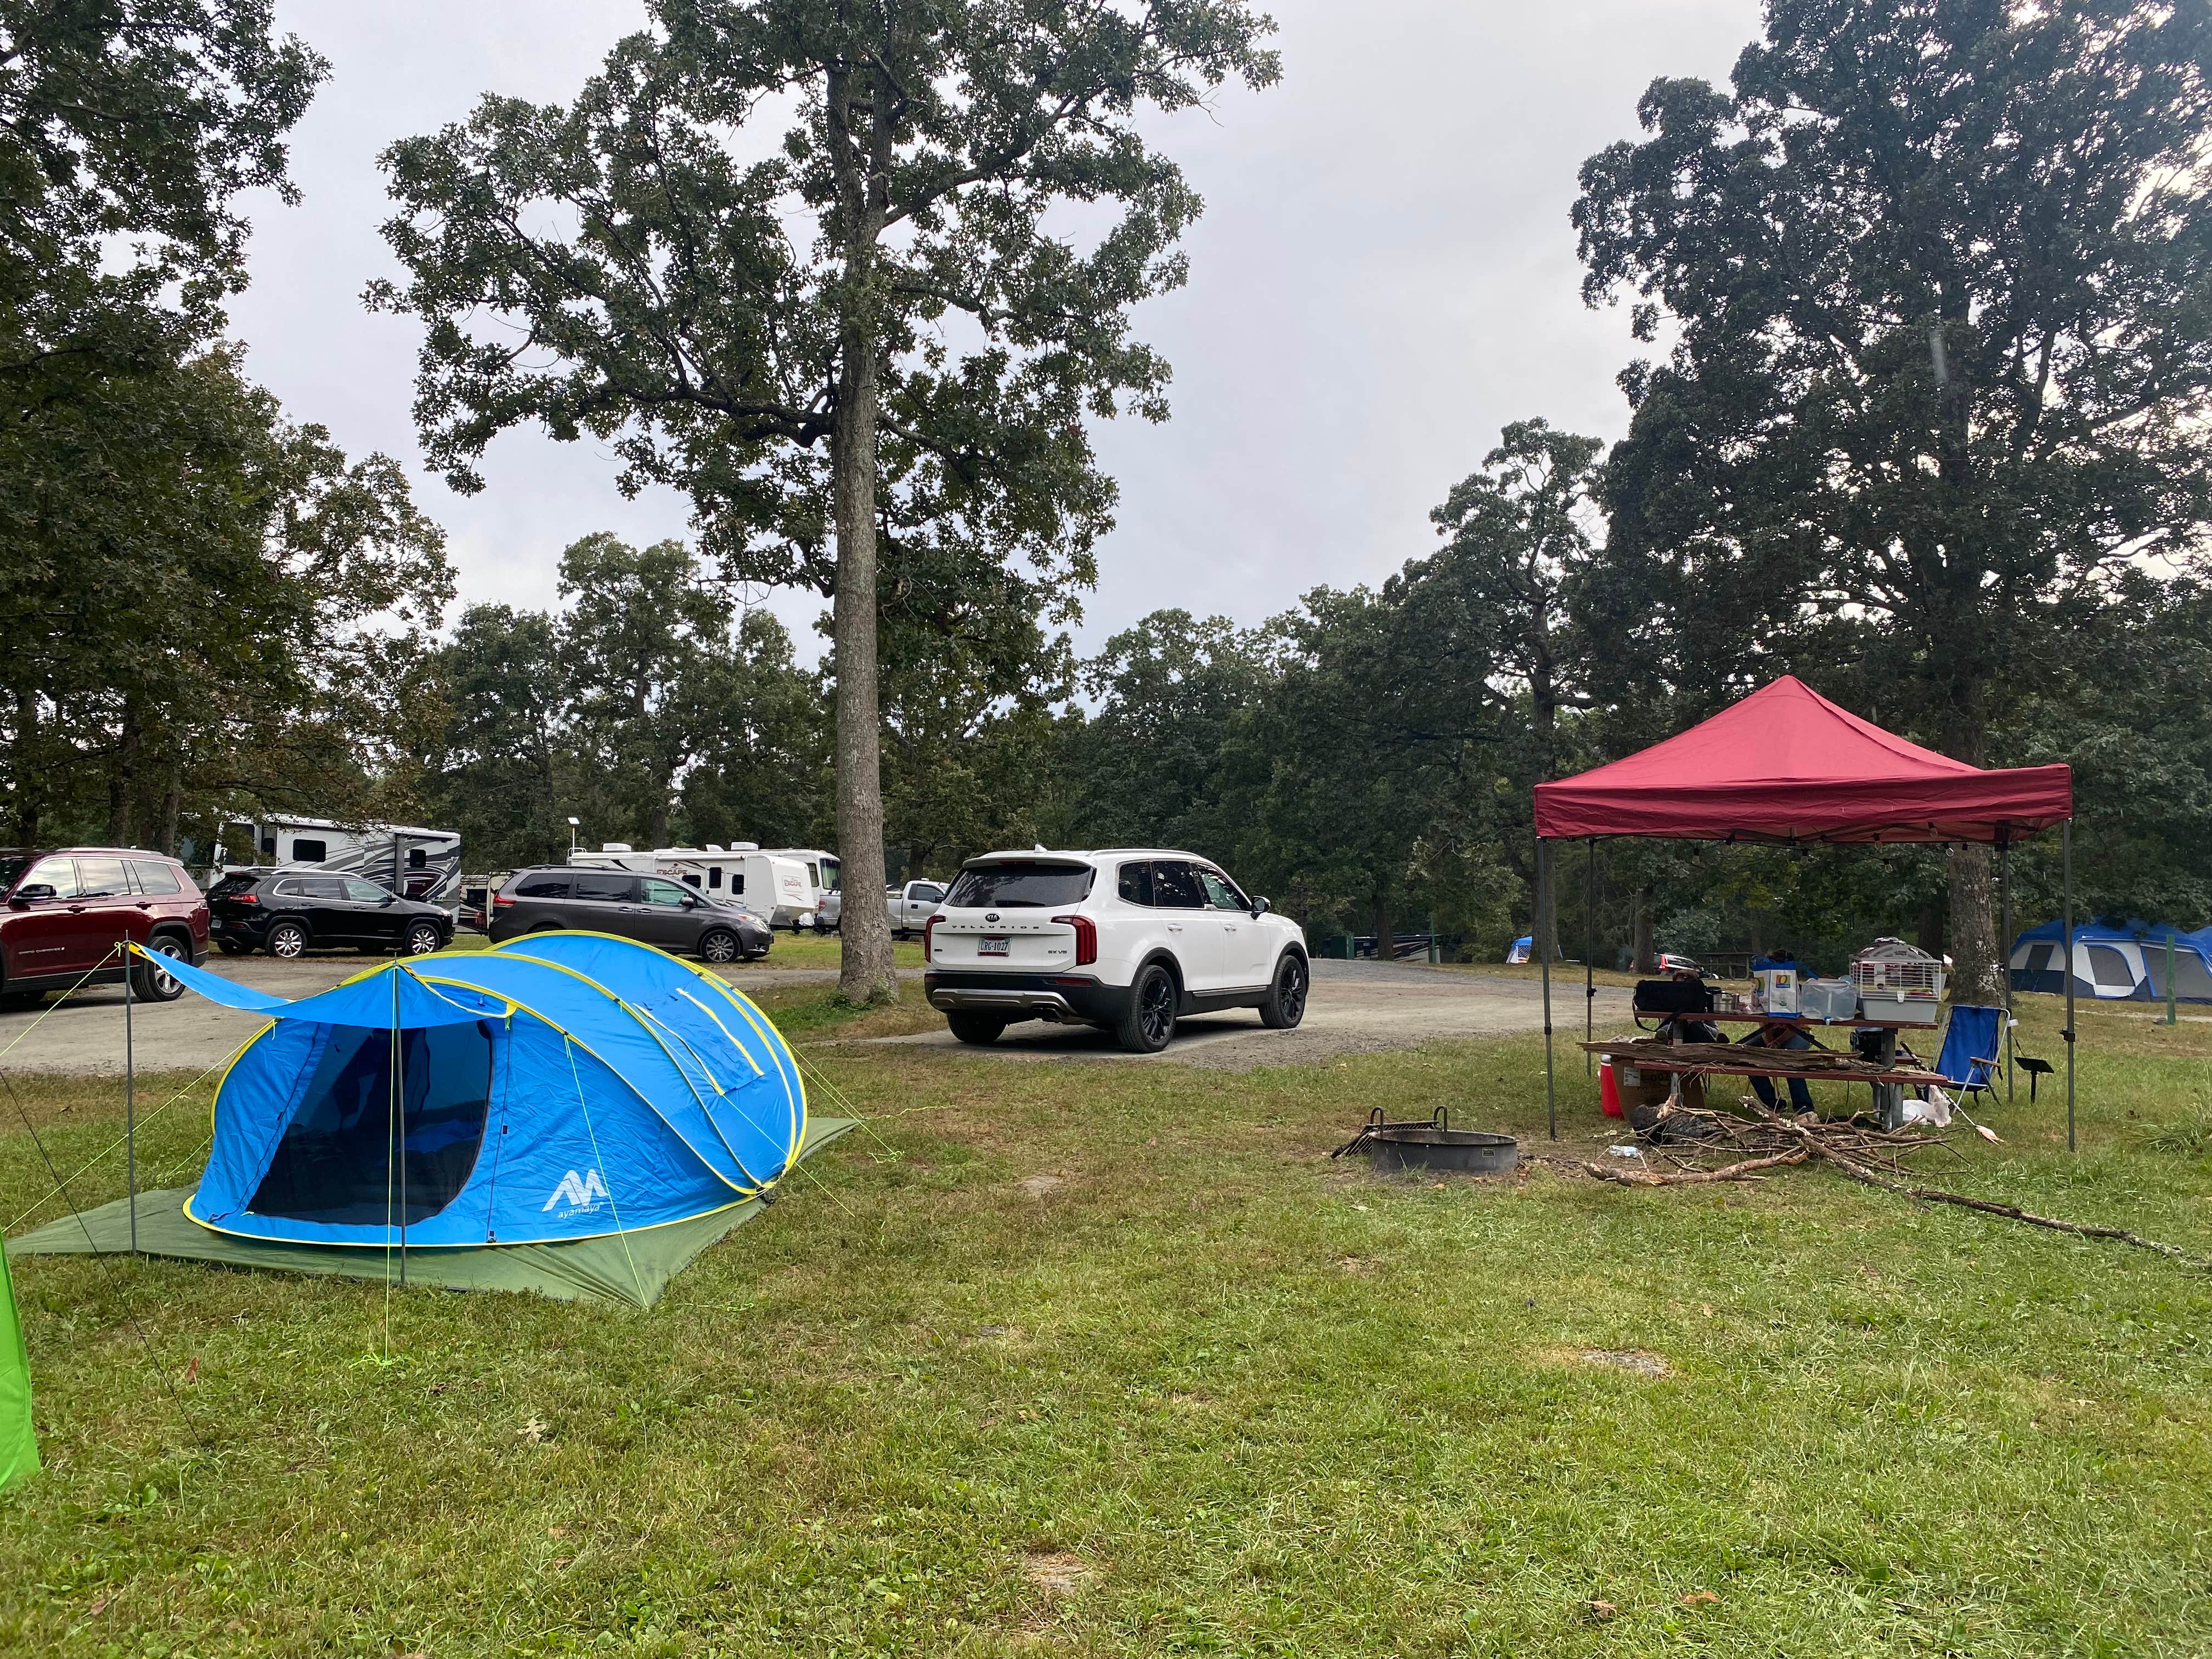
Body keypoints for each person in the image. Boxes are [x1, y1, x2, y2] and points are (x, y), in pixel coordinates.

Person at [1740, 1020, 1817, 1115]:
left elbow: (1798, 1024)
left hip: (1799, 1033)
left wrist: (1777, 1043)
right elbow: (1763, 1020)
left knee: (1791, 1060)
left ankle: (1804, 1108)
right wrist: (1770, 1040)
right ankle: (1774, 1104)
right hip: (1770, 1032)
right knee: (1745, 1055)